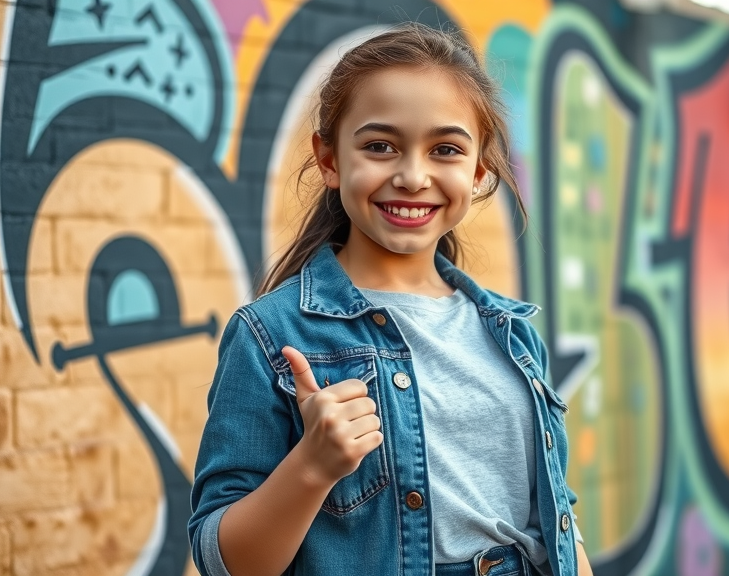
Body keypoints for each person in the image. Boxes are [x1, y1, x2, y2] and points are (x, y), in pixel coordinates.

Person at [188, 23, 593, 576]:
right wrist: (311, 467)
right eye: (380, 146)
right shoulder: (271, 337)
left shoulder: (513, 332)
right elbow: (224, 561)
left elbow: (557, 521)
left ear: (477, 172)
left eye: (445, 149)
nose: (412, 175)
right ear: (329, 161)